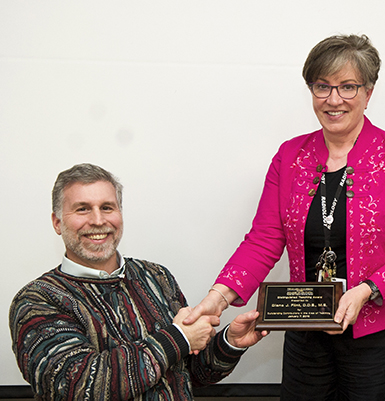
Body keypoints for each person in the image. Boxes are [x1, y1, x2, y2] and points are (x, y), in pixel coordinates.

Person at [185, 34, 385, 400]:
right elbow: (263, 240)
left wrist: (366, 292)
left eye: (348, 87)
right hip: (307, 331)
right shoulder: (290, 156)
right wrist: (216, 299)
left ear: (368, 91)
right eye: (322, 86)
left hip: (384, 337)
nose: (334, 100)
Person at [9, 163, 268, 401]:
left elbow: (190, 373)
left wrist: (228, 344)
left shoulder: (156, 277)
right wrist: (179, 338)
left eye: (107, 207)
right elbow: (78, 385)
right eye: (82, 209)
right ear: (57, 222)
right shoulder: (37, 300)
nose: (98, 220)